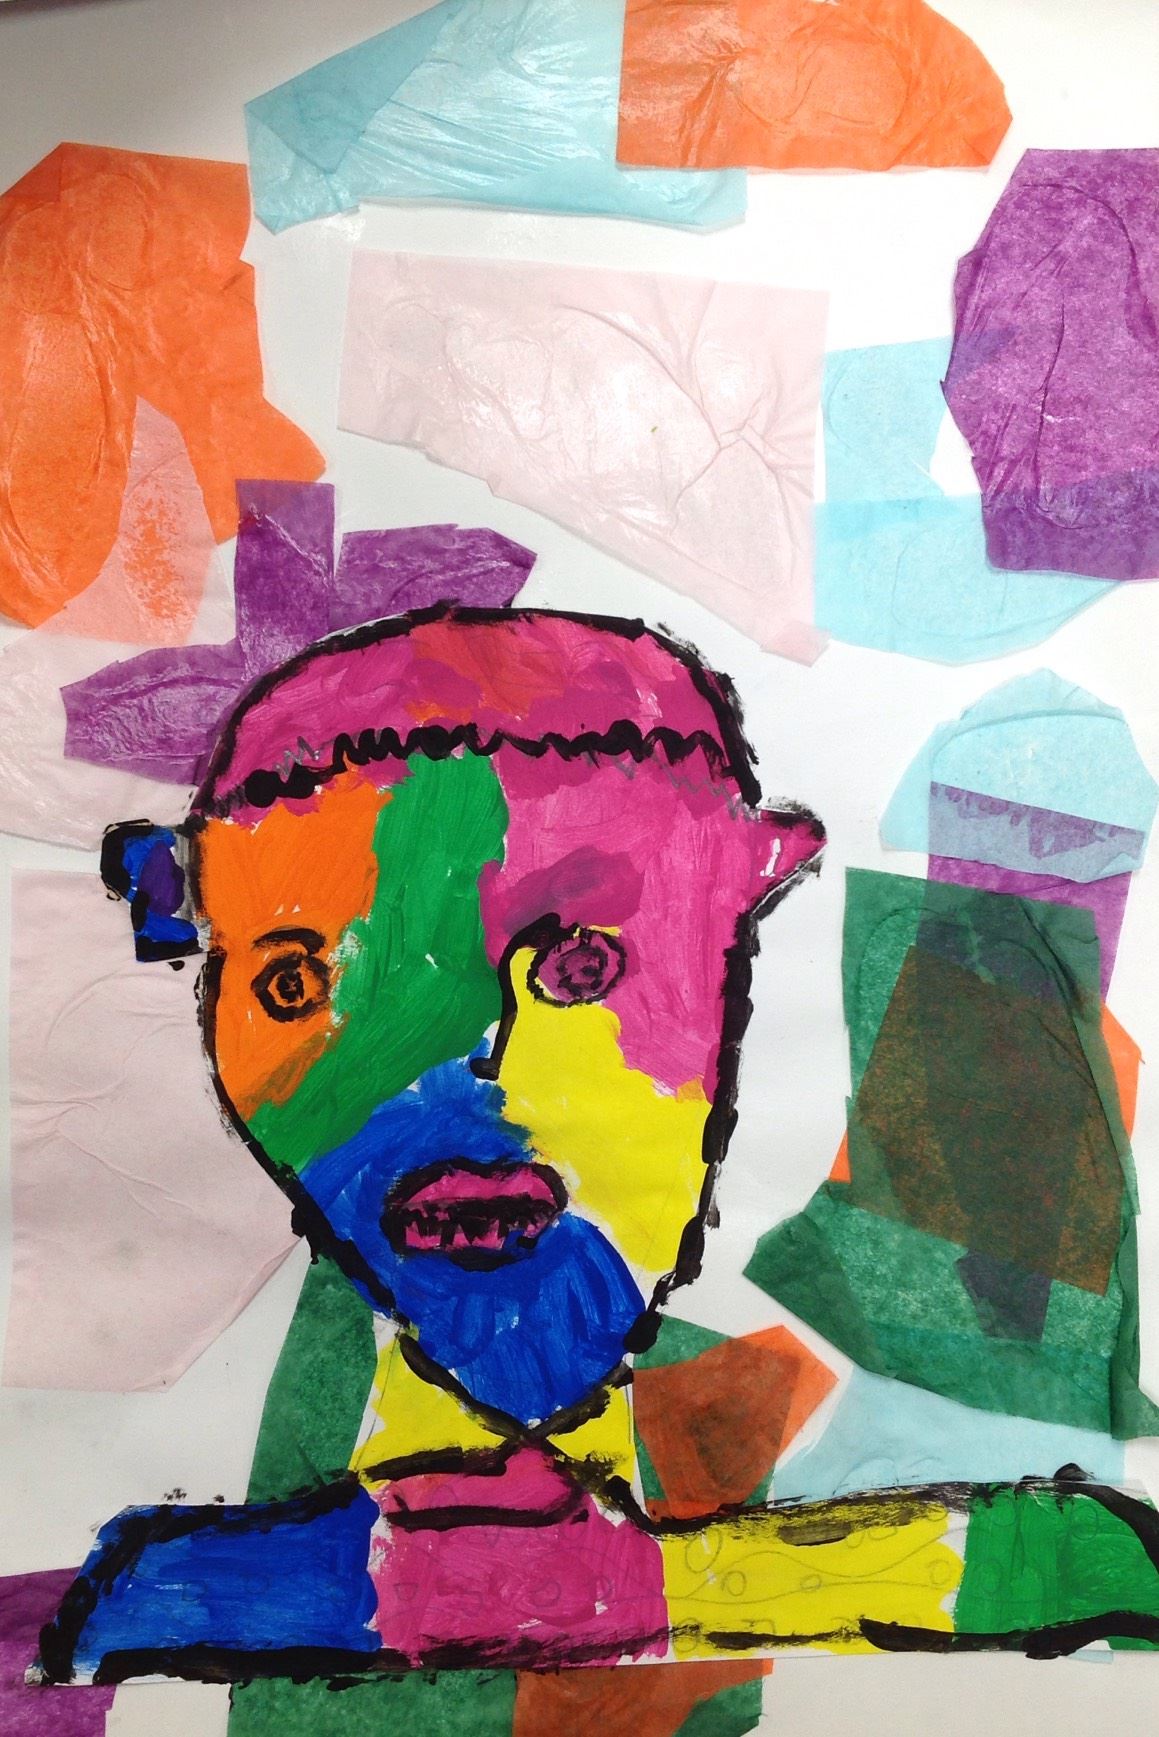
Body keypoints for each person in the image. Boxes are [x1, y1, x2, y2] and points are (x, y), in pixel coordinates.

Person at [38, 607, 1159, 1724]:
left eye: (578, 968)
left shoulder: (981, 1512)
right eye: (304, 985)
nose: (470, 1082)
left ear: (733, 929)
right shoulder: (161, 1591)